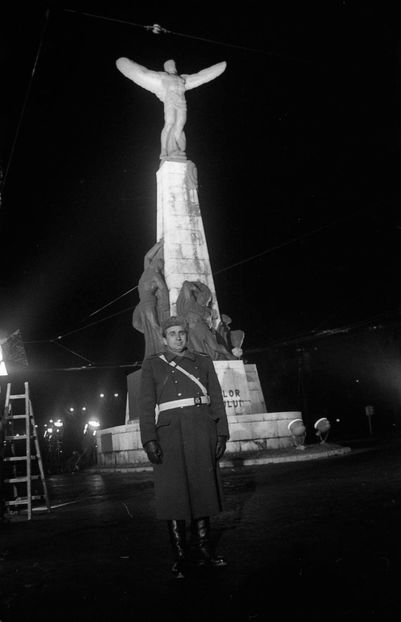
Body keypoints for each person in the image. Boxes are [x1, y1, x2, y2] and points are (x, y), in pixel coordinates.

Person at [139, 315, 229, 579]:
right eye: (173, 334)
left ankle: (204, 551)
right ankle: (180, 556)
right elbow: (145, 405)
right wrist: (149, 439)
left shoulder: (203, 361)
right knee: (174, 494)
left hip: (202, 429)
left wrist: (221, 432)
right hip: (169, 433)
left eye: (182, 333)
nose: (179, 338)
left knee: (203, 490)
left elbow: (218, 399)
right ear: (164, 338)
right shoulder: (153, 364)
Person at [116, 57, 227, 160]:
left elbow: (200, 76)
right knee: (170, 123)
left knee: (180, 125)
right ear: (166, 67)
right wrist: (127, 66)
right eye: (170, 65)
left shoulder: (183, 78)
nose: (173, 67)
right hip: (170, 102)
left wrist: (217, 69)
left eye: (174, 65)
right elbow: (144, 73)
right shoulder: (162, 76)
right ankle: (164, 150)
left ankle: (177, 149)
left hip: (182, 103)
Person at [132, 239, 170, 357]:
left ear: (159, 267)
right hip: (141, 303)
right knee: (135, 323)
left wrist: (165, 305)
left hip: (149, 303)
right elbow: (147, 257)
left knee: (155, 326)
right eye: (156, 262)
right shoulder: (147, 270)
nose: (156, 263)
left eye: (158, 264)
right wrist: (158, 245)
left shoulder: (156, 276)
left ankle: (165, 344)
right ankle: (150, 335)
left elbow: (163, 290)